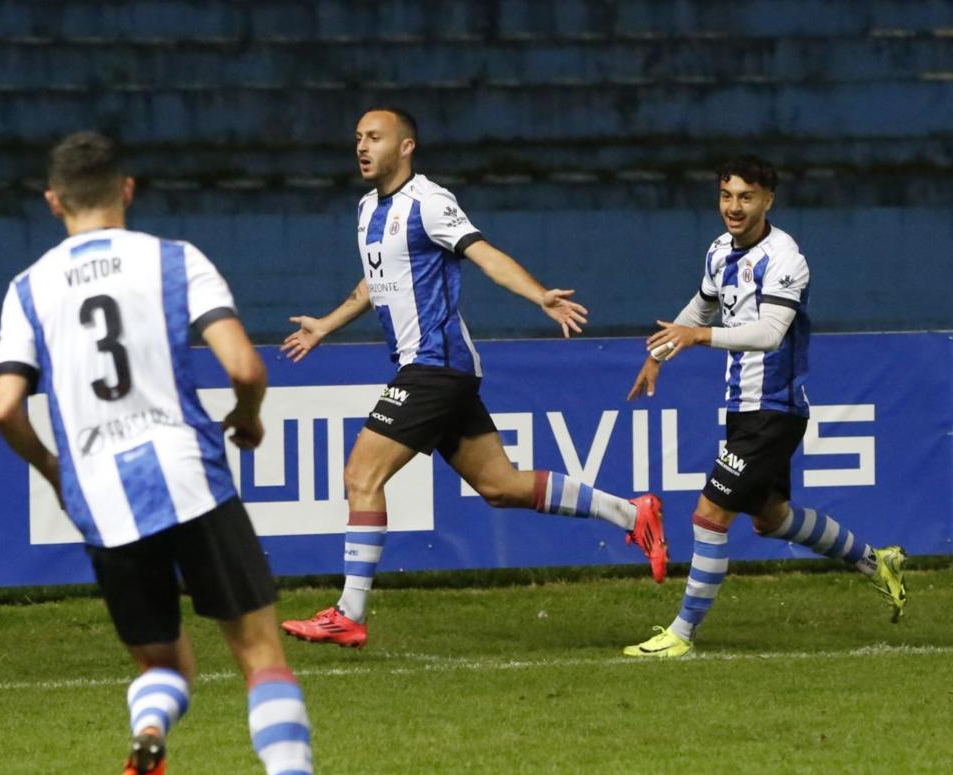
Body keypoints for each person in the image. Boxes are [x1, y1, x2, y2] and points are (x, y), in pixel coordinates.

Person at [0, 132, 332, 775]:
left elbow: (2, 406)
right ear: (128, 189)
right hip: (187, 475)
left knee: (164, 662)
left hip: (102, 499)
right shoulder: (176, 262)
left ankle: (149, 731)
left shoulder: (29, 289)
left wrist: (55, 469)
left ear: (53, 202)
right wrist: (247, 421)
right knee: (260, 653)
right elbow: (245, 367)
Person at [279, 107, 669, 649]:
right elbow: (377, 280)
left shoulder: (430, 202)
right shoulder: (368, 208)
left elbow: (484, 255)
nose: (362, 147)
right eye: (357, 138)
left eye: (374, 137)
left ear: (406, 146)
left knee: (360, 476)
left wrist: (539, 295)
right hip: (437, 370)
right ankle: (632, 512)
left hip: (435, 365)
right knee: (500, 486)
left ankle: (349, 611)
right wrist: (325, 324)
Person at [622, 155, 907, 658]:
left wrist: (699, 337)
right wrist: (659, 353)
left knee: (710, 514)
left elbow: (770, 333)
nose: (734, 207)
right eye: (726, 195)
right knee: (769, 519)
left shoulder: (785, 259)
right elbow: (702, 304)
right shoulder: (718, 250)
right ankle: (874, 561)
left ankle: (681, 634)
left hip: (773, 409)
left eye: (746, 197)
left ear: (767, 200)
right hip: (743, 407)